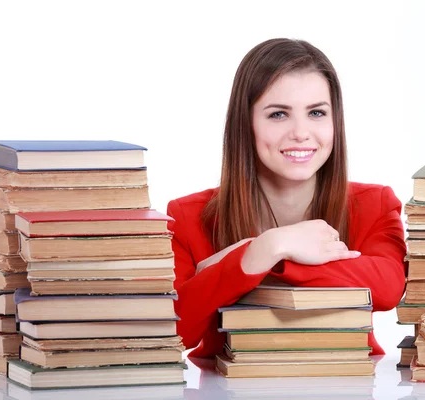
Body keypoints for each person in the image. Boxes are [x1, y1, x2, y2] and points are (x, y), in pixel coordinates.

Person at [167, 38, 407, 360]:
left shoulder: (374, 204)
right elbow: (175, 331)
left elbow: (388, 288)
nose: (300, 132)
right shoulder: (186, 216)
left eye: (317, 113)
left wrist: (259, 256)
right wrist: (269, 245)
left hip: (350, 383)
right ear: (246, 123)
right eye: (279, 114)